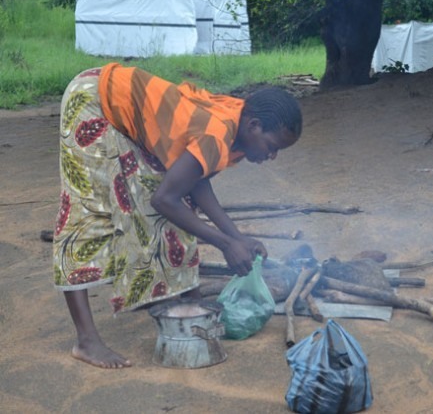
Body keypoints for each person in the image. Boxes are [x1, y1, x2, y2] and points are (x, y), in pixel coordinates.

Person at [52, 63, 303, 368]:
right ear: (253, 126)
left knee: (159, 198)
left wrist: (237, 237)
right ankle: (86, 341)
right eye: (272, 146)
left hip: (119, 105)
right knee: (89, 212)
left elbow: (197, 180)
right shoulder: (218, 134)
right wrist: (225, 244)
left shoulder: (238, 125)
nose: (271, 155)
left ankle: (182, 302)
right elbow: (165, 199)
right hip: (95, 100)